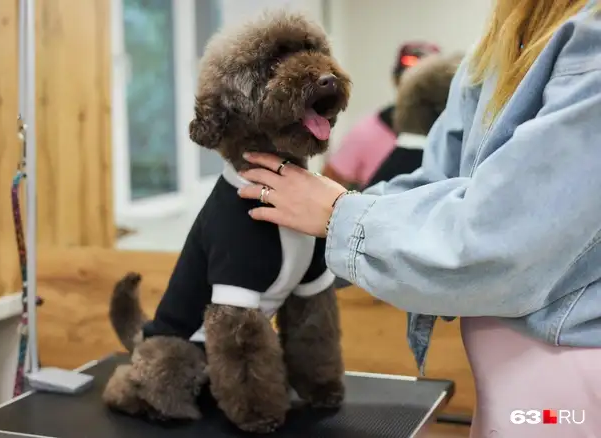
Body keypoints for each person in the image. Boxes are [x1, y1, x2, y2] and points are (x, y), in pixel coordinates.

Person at [236, 0, 601, 436]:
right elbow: (435, 183)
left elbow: (502, 240)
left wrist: (339, 215)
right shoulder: (499, 45)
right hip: (507, 385)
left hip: (569, 389)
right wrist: (304, 232)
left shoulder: (592, 45)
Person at [321, 42, 440, 189]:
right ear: (395, 80)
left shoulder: (453, 137)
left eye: (428, 83)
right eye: (410, 80)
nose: (418, 90)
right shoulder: (366, 132)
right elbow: (326, 186)